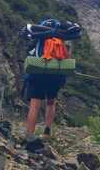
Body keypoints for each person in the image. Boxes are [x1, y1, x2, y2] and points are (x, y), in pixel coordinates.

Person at [21, 19, 81, 149]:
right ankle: (47, 131)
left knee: (35, 104)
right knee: (51, 101)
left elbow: (29, 46)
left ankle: (29, 135)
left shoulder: (39, 33)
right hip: (56, 73)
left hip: (38, 71)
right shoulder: (63, 35)